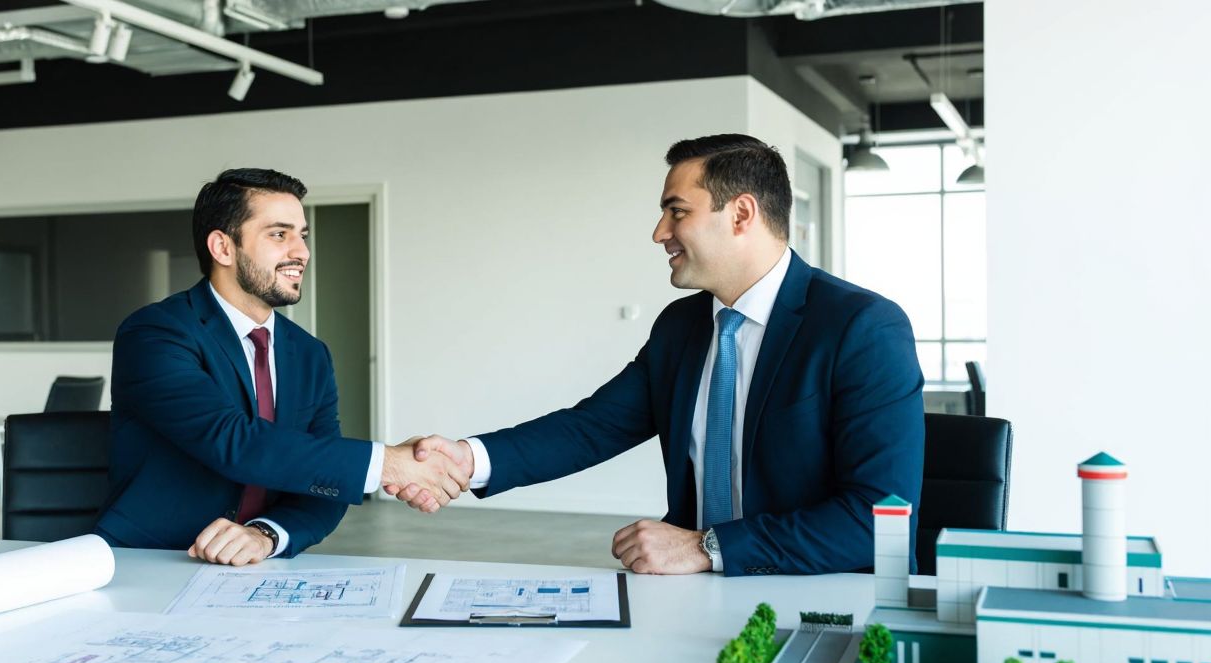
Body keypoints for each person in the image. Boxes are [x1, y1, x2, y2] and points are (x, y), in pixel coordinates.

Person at [391, 135, 924, 576]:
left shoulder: (862, 328)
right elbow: (591, 428)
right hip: (697, 595)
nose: (659, 233)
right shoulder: (680, 327)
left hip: (826, 600)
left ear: (741, 214)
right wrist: (467, 459)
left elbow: (879, 520)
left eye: (677, 212)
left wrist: (705, 547)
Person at [97, 168, 466, 565]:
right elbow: (234, 440)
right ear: (223, 248)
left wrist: (266, 535)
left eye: (302, 235)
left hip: (253, 570)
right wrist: (389, 464)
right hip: (150, 561)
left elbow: (323, 483)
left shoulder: (310, 354)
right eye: (279, 234)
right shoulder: (156, 333)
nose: (301, 252)